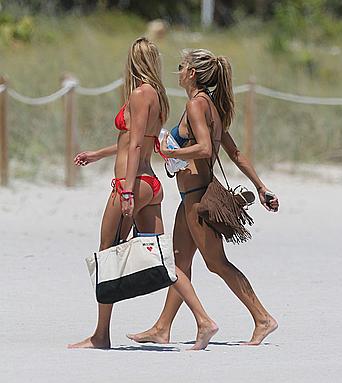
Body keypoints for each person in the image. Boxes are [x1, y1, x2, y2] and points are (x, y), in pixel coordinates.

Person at [68, 38, 218, 351]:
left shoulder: (139, 94)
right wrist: (98, 154)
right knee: (161, 258)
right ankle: (204, 320)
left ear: (133, 62)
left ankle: (101, 335)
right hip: (152, 183)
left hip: (133, 182)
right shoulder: (158, 96)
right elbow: (133, 140)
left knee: (107, 250)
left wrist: (125, 189)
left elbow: (135, 145)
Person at [127, 49, 279, 346]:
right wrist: (261, 187)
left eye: (181, 66)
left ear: (192, 73)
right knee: (180, 265)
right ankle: (162, 328)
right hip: (191, 198)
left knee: (217, 263)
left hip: (198, 200)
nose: (179, 70)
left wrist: (172, 152)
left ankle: (262, 318)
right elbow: (234, 153)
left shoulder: (197, 105)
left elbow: (206, 149)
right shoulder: (210, 106)